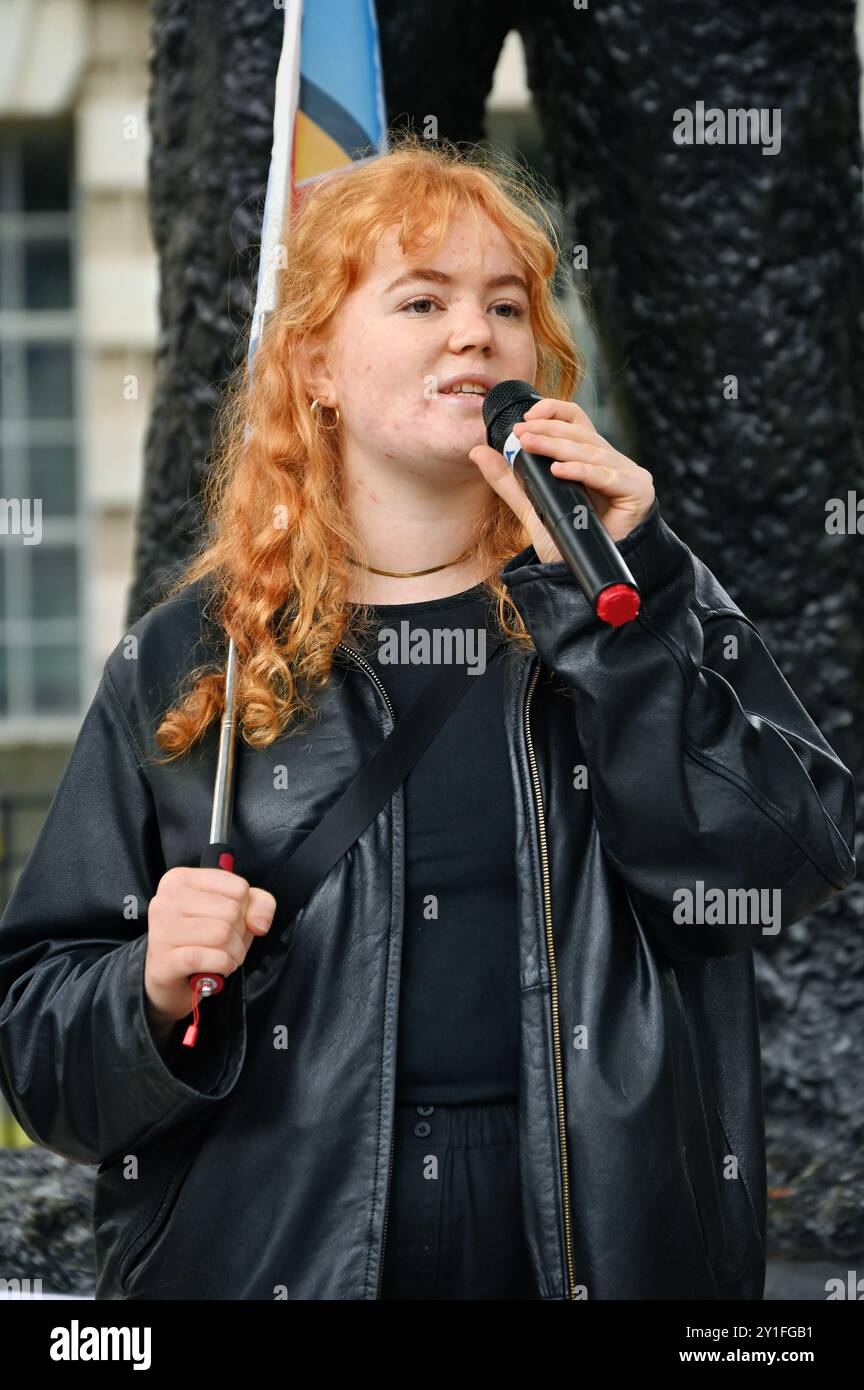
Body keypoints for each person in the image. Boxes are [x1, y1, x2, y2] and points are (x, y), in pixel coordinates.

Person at [0, 133, 856, 1301]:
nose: (476, 333)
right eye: (421, 299)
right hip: (280, 1242)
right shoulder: (197, 652)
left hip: (592, 1240)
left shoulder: (622, 592)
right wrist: (146, 986)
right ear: (316, 368)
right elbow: (43, 1059)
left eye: (507, 304)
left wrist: (631, 595)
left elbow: (786, 860)